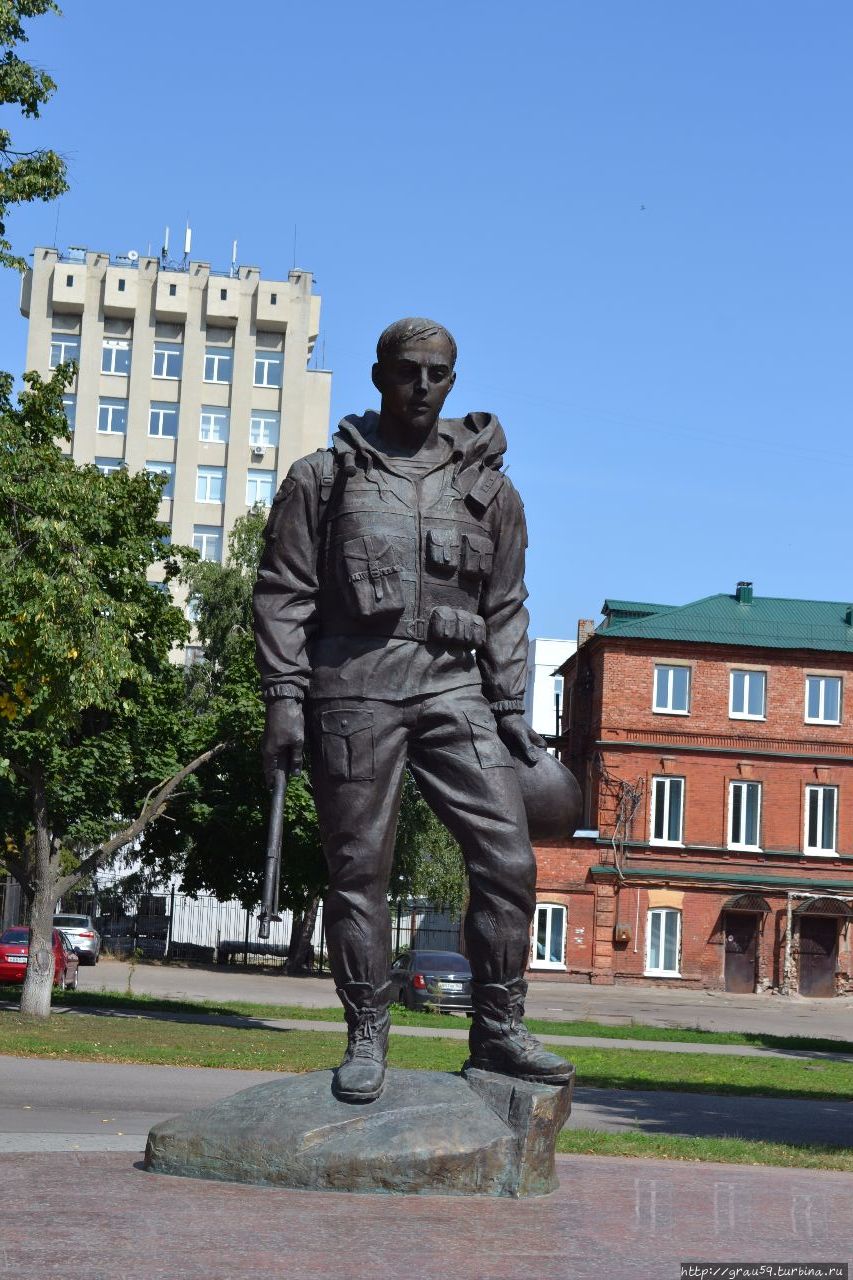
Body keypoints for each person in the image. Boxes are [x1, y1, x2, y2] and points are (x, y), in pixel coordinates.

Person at [254, 317, 570, 1103]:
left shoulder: (489, 490)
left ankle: (496, 1029)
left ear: (453, 381)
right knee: (358, 870)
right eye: (407, 371)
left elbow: (505, 605)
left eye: (437, 373)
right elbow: (283, 593)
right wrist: (283, 699)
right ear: (377, 375)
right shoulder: (322, 478)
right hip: (352, 688)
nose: (422, 386)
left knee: (509, 861)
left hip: (453, 688)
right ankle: (366, 1033)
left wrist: (508, 706)